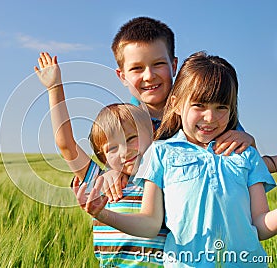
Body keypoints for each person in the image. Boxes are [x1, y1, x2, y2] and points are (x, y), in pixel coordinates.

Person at [75, 51, 277, 267]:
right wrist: (103, 214)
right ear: (177, 104)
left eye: (221, 107)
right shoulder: (160, 153)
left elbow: (259, 225)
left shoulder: (245, 154)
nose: (210, 117)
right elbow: (151, 223)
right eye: (199, 105)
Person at [104, 16, 276, 202]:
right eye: (137, 68)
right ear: (121, 76)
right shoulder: (121, 121)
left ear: (174, 65)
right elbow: (109, 154)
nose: (149, 76)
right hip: (152, 224)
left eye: (159, 64)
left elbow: (248, 165)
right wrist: (111, 172)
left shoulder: (205, 111)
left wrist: (248, 141)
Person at [34, 52, 166, 267]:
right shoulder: (100, 181)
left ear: (152, 133)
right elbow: (66, 144)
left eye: (132, 138)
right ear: (103, 157)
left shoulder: (163, 175)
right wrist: (54, 88)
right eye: (112, 148)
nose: (124, 152)